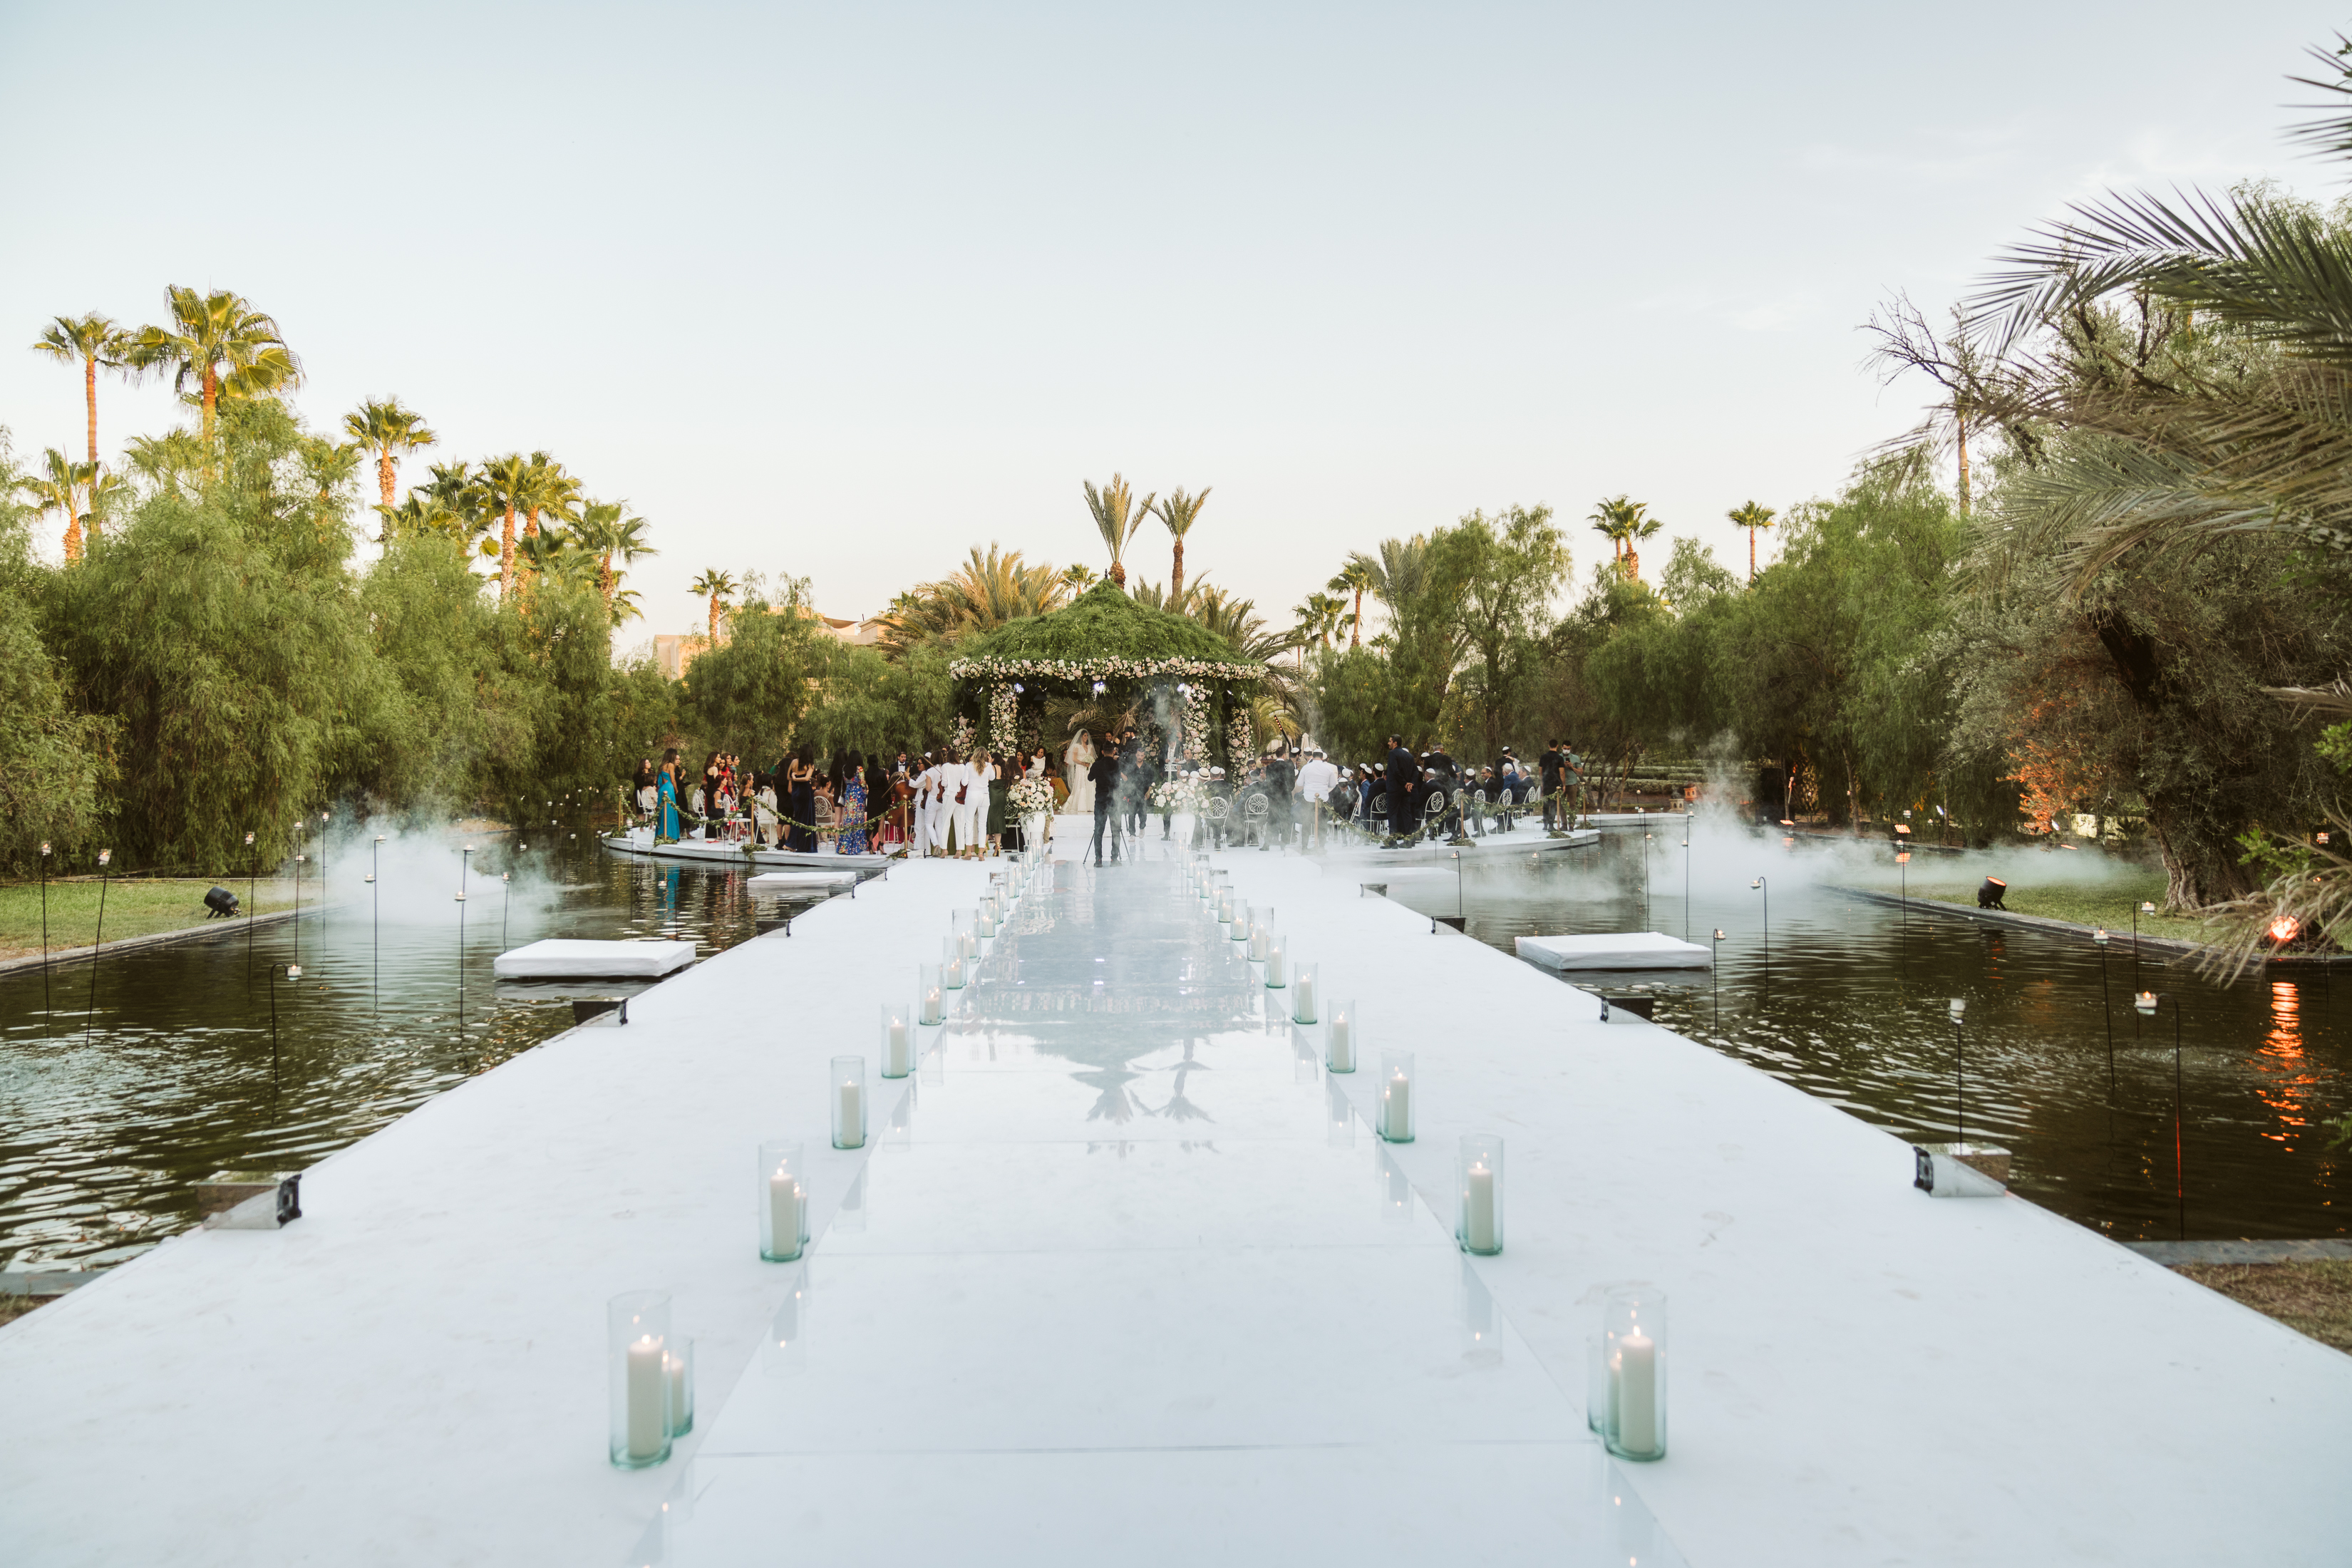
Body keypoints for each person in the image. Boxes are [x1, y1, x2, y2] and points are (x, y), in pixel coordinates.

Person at [1087, 740, 1123, 865]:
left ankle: (1098, 859)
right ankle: (1114, 859)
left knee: (1098, 830)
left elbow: (1090, 778)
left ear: (1102, 752)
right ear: (1113, 752)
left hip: (1101, 800)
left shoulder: (1097, 765)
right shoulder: (1117, 765)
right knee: (1116, 830)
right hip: (1114, 800)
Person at [1296, 747, 1339, 849]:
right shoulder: (1328, 768)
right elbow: (1333, 784)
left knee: (1306, 822)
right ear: (1322, 757)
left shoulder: (1306, 767)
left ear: (1313, 756)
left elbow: (1299, 783)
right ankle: (1322, 846)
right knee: (1322, 823)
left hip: (1308, 799)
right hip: (1323, 799)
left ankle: (1304, 846)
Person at [835, 751, 870, 855]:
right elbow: (863, 782)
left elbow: (846, 781)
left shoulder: (845, 768)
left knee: (848, 820)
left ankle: (845, 846)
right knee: (857, 821)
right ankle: (855, 847)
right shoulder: (859, 769)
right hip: (857, 796)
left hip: (849, 795)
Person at [786, 746, 818, 853]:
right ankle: (791, 844)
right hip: (804, 792)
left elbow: (788, 777)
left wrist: (794, 778)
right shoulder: (810, 765)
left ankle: (795, 843)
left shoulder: (794, 762)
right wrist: (796, 778)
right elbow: (806, 778)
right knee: (803, 819)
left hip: (796, 792)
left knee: (798, 817)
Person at [1063, 729, 1098, 815]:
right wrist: (1083, 763)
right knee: (1081, 784)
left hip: (1088, 768)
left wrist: (1089, 763)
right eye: (1085, 736)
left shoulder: (1090, 747)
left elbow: (1092, 758)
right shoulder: (1077, 746)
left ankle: (1090, 805)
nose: (1086, 737)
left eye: (1087, 736)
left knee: (1089, 784)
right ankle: (1080, 805)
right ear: (1081, 737)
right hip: (1080, 768)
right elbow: (1074, 759)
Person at [656, 748, 683, 840]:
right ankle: (671, 835)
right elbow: (673, 779)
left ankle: (662, 833)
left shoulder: (662, 765)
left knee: (663, 811)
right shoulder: (671, 765)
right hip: (669, 788)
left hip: (662, 788)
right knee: (670, 811)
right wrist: (676, 789)